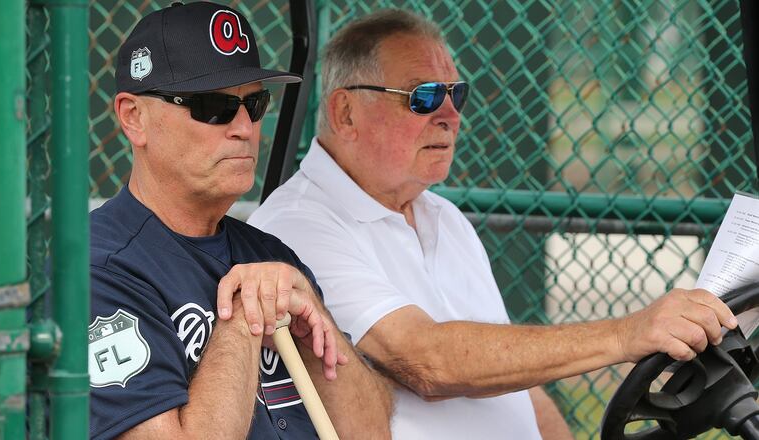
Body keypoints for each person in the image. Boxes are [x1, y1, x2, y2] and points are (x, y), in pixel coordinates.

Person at [248, 9, 739, 439]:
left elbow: (518, 389)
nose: (448, 114)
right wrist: (625, 335)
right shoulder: (296, 226)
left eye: (455, 93)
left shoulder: (444, 216)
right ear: (345, 111)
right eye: (422, 97)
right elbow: (425, 361)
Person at [89, 2, 392, 439]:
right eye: (213, 107)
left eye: (255, 103)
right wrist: (242, 322)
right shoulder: (99, 272)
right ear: (134, 117)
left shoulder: (271, 256)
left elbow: (372, 432)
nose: (245, 127)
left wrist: (311, 325)